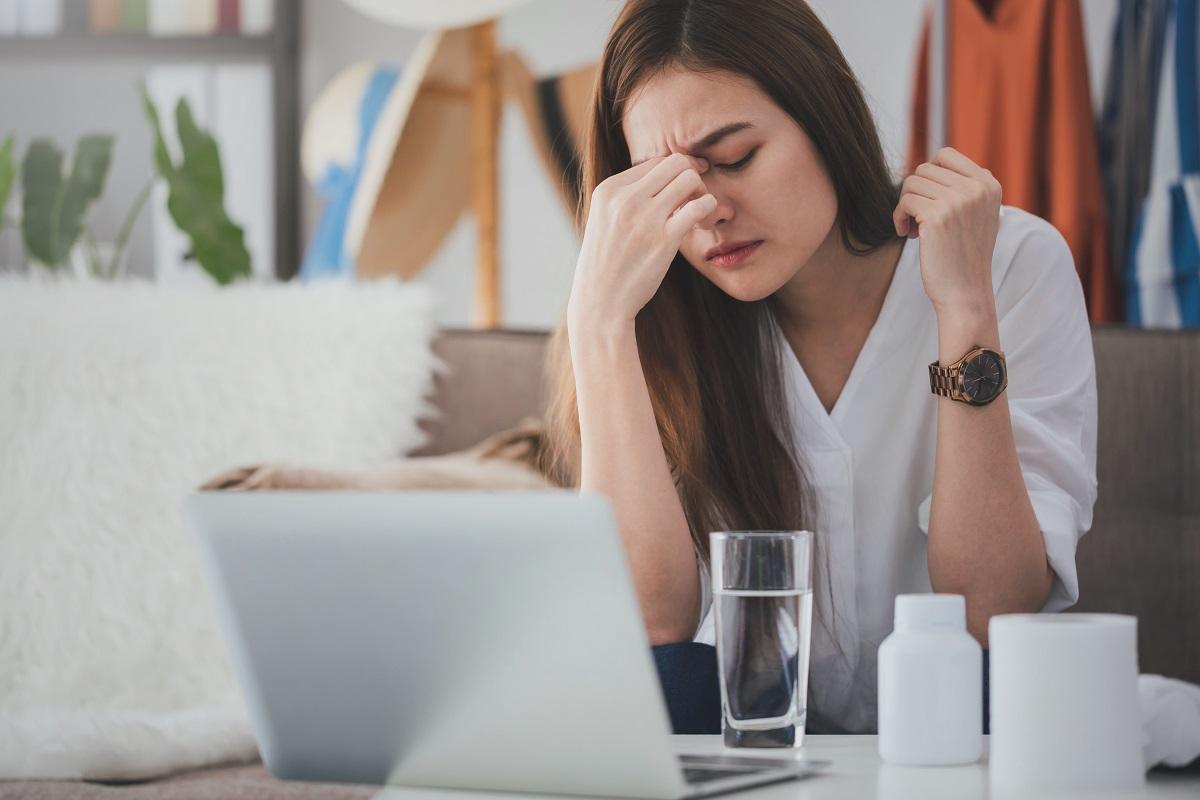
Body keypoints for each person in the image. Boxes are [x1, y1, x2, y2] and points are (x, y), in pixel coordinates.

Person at [540, 0, 1098, 735]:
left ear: (824, 115)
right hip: (751, 739)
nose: (707, 211)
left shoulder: (1010, 263)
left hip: (960, 726)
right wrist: (599, 323)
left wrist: (964, 313)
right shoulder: (648, 310)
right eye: (666, 187)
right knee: (657, 682)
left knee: (1001, 677)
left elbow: (993, 613)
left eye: (735, 158)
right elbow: (647, 633)